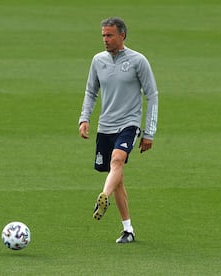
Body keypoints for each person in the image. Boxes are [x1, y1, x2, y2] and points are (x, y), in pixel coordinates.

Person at [78, 17, 158, 243]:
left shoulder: (138, 61)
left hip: (129, 124)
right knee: (118, 177)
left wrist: (149, 132)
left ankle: (103, 196)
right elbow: (90, 92)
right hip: (105, 126)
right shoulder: (98, 61)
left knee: (117, 161)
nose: (105, 39)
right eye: (103, 35)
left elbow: (152, 95)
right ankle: (128, 230)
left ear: (122, 35)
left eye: (109, 35)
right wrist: (84, 118)